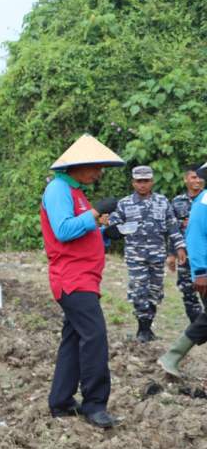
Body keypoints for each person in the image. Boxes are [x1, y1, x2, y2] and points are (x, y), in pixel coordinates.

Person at [40, 134, 123, 429]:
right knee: (95, 337)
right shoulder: (58, 189)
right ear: (80, 164)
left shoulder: (75, 190)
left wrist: (103, 234)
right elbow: (63, 230)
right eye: (96, 167)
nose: (99, 173)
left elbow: (80, 232)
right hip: (72, 279)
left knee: (73, 339)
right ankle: (95, 404)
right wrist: (96, 213)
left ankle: (61, 401)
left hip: (83, 276)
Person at [108, 166, 185, 342]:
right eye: (139, 181)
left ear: (152, 182)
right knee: (139, 290)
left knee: (155, 291)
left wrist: (180, 247)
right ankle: (142, 329)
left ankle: (148, 328)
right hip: (136, 257)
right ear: (133, 183)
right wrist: (110, 224)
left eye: (146, 181)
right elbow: (113, 227)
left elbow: (172, 226)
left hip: (157, 255)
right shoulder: (124, 203)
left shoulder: (162, 202)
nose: (142, 185)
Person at [158, 161, 207, 377]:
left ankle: (172, 356)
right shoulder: (204, 203)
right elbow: (194, 238)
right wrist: (201, 272)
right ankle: (172, 356)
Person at [167, 164, 205, 323]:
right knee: (187, 291)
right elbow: (172, 228)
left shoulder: (205, 199)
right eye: (193, 177)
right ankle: (196, 325)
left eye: (199, 177)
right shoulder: (177, 202)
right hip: (184, 254)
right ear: (185, 179)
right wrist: (171, 254)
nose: (197, 181)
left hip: (203, 253)